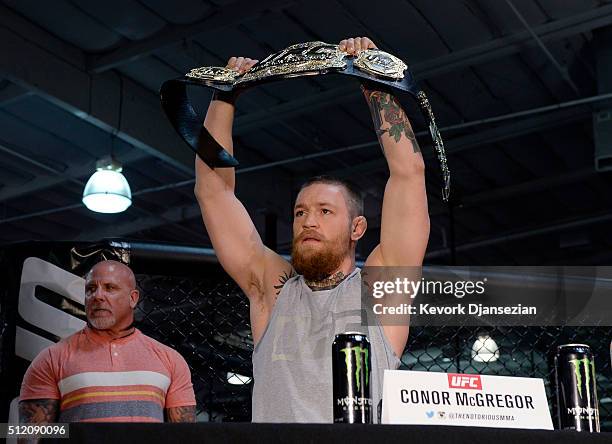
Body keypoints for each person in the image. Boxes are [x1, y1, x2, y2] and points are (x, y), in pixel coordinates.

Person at [195, 37, 429, 422]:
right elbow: (213, 193)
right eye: (300, 212)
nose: (309, 221)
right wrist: (225, 94)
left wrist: (370, 76)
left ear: (357, 227)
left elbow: (408, 174)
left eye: (324, 211)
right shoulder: (272, 290)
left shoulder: (381, 288)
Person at [19, 260, 197, 423]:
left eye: (110, 288)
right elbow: (30, 434)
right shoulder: (51, 358)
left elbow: (184, 437)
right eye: (90, 289)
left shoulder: (170, 360)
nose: (97, 296)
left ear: (133, 298)